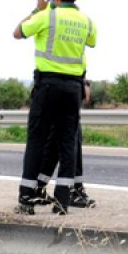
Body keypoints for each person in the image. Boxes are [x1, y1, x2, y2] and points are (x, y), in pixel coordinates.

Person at [14, 0, 96, 213]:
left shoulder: (46, 17)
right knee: (68, 142)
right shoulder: (86, 21)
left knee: (37, 139)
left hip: (47, 86)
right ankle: (63, 199)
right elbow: (88, 45)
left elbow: (18, 33)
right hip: (73, 88)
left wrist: (37, 9)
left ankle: (27, 197)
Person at [36, 80, 94, 208]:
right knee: (68, 144)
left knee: (56, 144)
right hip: (64, 91)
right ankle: (72, 192)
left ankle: (39, 188)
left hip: (56, 89)